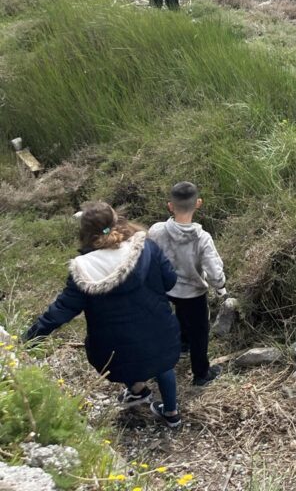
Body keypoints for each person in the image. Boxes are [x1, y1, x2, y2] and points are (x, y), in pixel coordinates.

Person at [23, 202, 183, 428]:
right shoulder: (146, 247)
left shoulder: (83, 269)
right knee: (163, 364)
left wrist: (29, 338)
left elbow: (61, 310)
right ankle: (172, 413)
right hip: (160, 331)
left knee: (124, 355)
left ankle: (137, 390)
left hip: (114, 347)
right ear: (117, 221)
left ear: (85, 233)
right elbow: (171, 281)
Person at [147, 181, 226, 388]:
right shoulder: (202, 238)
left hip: (165, 290)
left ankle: (170, 357)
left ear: (170, 206)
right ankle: (201, 374)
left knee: (164, 327)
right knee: (200, 333)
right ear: (198, 203)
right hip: (193, 292)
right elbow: (214, 272)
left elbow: (148, 257)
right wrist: (220, 287)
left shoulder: (156, 231)